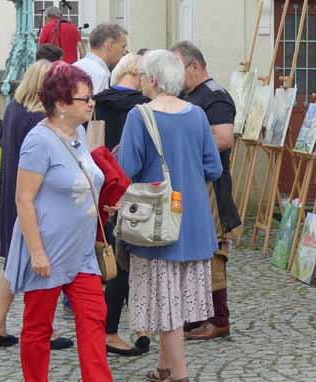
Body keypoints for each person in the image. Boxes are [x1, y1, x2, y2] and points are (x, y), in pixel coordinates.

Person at [3, 62, 113, 382]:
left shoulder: (78, 133)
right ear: (62, 103)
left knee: (94, 318)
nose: (91, 103)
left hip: (80, 252)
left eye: (91, 97)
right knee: (38, 328)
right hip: (47, 250)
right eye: (85, 98)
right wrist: (36, 252)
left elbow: (83, 179)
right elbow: (23, 198)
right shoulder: (39, 141)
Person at [118, 49, 222, 382]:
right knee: (174, 301)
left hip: (157, 224)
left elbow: (127, 168)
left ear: (152, 79)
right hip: (193, 220)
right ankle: (164, 368)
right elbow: (214, 167)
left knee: (166, 307)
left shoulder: (140, 116)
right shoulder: (196, 115)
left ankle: (179, 374)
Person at [0, 60, 73, 352]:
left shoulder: (13, 110)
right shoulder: (39, 121)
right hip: (32, 202)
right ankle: (39, 331)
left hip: (12, 195)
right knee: (37, 265)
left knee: (12, 264)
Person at [171, 40, 241, 340]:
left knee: (212, 249)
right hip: (192, 184)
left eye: (178, 69)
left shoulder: (216, 97)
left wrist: (184, 143)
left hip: (212, 185)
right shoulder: (187, 95)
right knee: (193, 250)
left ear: (195, 66)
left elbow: (224, 138)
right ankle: (196, 315)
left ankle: (218, 317)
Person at [94, 53, 150, 356]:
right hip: (137, 189)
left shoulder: (99, 101)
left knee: (116, 261)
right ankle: (121, 329)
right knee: (132, 263)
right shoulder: (144, 107)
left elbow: (93, 144)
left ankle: (124, 327)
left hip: (106, 185)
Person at [74, 23, 127, 95]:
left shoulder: (74, 67)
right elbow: (94, 105)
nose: (124, 52)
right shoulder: (101, 75)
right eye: (123, 47)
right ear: (110, 46)